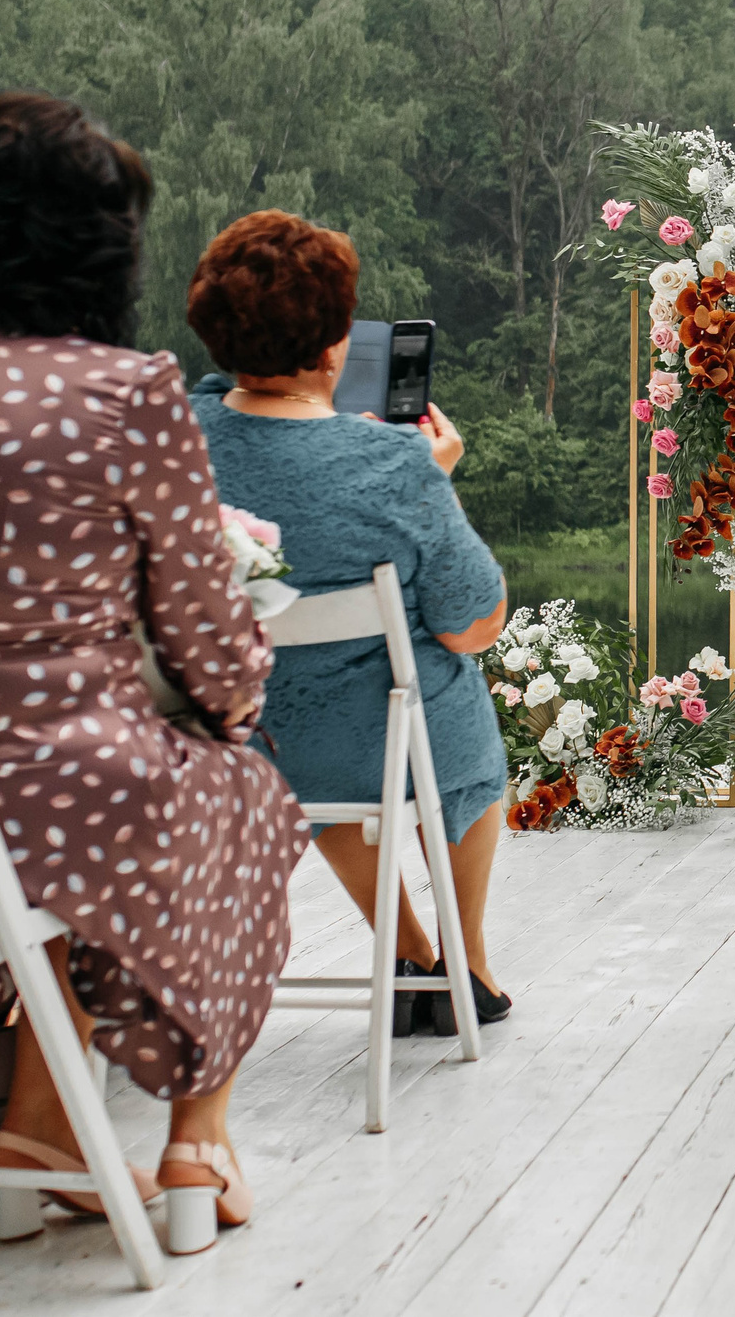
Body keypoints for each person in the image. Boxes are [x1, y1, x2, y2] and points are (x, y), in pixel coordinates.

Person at [0, 93, 309, 1247]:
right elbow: (209, 642)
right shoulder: (126, 393)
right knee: (239, 788)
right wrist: (227, 707)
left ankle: (49, 1128)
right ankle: (190, 1149)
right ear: (102, 247)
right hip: (42, 818)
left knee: (123, 792)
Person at [185, 210, 513, 1033]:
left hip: (241, 737)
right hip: (381, 739)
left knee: (317, 732)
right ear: (335, 343)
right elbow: (475, 624)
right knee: (446, 720)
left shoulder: (181, 438)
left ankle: (408, 958)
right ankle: (464, 964)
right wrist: (434, 477)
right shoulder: (395, 463)